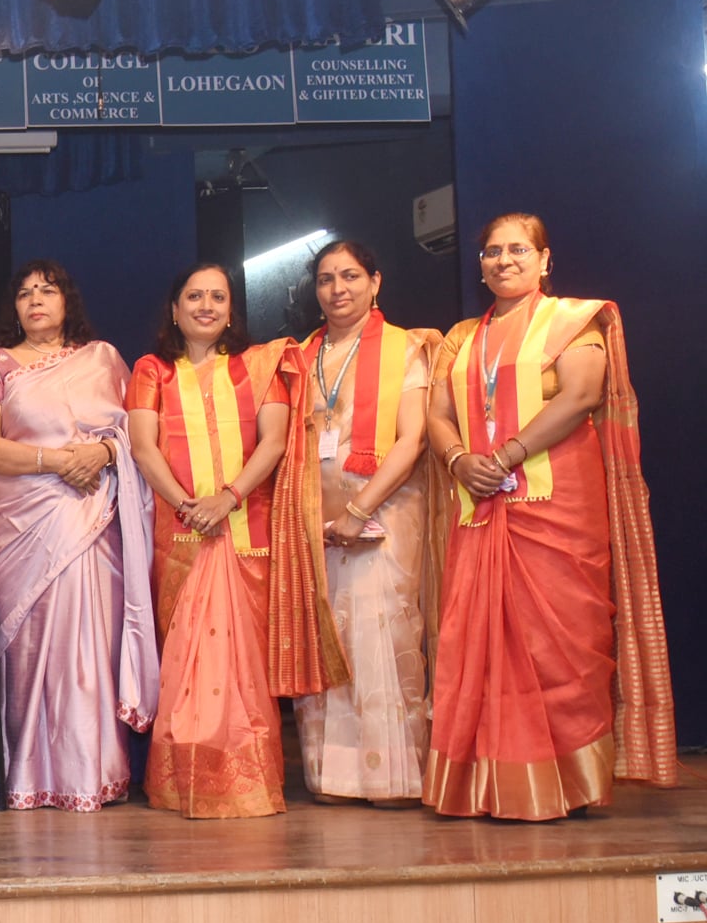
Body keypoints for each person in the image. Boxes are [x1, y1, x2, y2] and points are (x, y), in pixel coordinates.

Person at [423, 212, 674, 819]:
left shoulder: (574, 321)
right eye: (491, 252)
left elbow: (583, 394)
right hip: (481, 506)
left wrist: (506, 453)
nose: (503, 260)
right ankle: (488, 785)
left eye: (516, 250)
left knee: (558, 643)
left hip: (556, 506)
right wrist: (459, 461)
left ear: (545, 259)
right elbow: (438, 413)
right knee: (478, 643)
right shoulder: (460, 337)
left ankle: (571, 784)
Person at [0, 260, 159, 812]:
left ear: (66, 300)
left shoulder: (103, 360)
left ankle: (92, 774)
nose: (35, 301)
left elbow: (138, 433)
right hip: (24, 527)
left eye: (47, 290)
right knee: (29, 647)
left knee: (90, 643)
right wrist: (55, 461)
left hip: (94, 519)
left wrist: (102, 452)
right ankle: (27, 775)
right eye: (24, 294)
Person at [129, 262, 315, 819]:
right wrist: (189, 506)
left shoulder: (260, 367)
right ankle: (183, 781)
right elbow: (143, 447)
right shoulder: (151, 370)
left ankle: (247, 783)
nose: (206, 305)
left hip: (243, 531)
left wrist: (227, 498)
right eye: (194, 296)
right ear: (175, 308)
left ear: (232, 309)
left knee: (243, 670)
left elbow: (275, 442)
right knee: (186, 666)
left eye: (217, 296)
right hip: (180, 535)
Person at [293, 241, 440, 806]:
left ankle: (393, 777)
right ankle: (335, 776)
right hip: (314, 517)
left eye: (351, 276)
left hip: (386, 508)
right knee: (330, 639)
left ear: (375, 281)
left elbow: (413, 439)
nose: (339, 289)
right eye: (327, 279)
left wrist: (359, 511)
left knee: (383, 633)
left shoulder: (407, 348)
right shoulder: (301, 355)